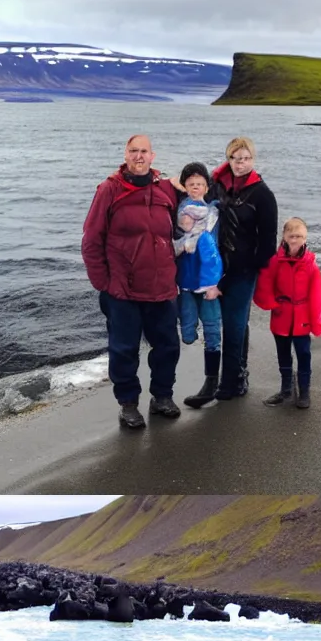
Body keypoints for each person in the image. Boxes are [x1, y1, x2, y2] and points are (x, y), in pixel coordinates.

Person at [82, 132, 181, 429]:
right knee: (124, 350)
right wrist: (104, 284)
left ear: (153, 156)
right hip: (122, 291)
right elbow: (91, 241)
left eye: (144, 151)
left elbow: (192, 211)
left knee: (168, 347)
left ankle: (162, 396)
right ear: (125, 155)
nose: (139, 156)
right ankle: (128, 403)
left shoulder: (166, 189)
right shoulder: (109, 190)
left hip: (162, 287)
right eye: (133, 151)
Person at [209, 138, 279, 400]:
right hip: (216, 268)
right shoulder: (217, 187)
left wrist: (251, 268)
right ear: (229, 159)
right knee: (222, 323)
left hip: (243, 270)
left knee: (234, 323)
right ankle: (237, 372)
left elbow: (268, 241)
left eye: (246, 158)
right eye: (236, 158)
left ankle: (231, 383)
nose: (241, 163)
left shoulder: (262, 194)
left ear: (253, 160)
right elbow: (195, 202)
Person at [253, 216, 321, 409]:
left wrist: (317, 323)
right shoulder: (275, 261)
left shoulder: (311, 264)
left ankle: (304, 392)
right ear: (284, 237)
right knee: (283, 353)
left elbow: (316, 295)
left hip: (302, 316)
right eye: (291, 236)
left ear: (305, 238)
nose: (294, 240)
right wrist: (272, 304)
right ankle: (286, 390)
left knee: (304, 353)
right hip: (281, 314)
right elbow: (265, 283)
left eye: (299, 236)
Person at [174, 162, 224, 410]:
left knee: (213, 333)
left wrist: (216, 282)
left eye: (200, 183)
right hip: (185, 284)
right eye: (190, 183)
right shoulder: (177, 214)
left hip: (209, 285)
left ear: (207, 186)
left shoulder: (214, 216)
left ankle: (211, 382)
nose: (195, 187)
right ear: (184, 187)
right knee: (189, 335)